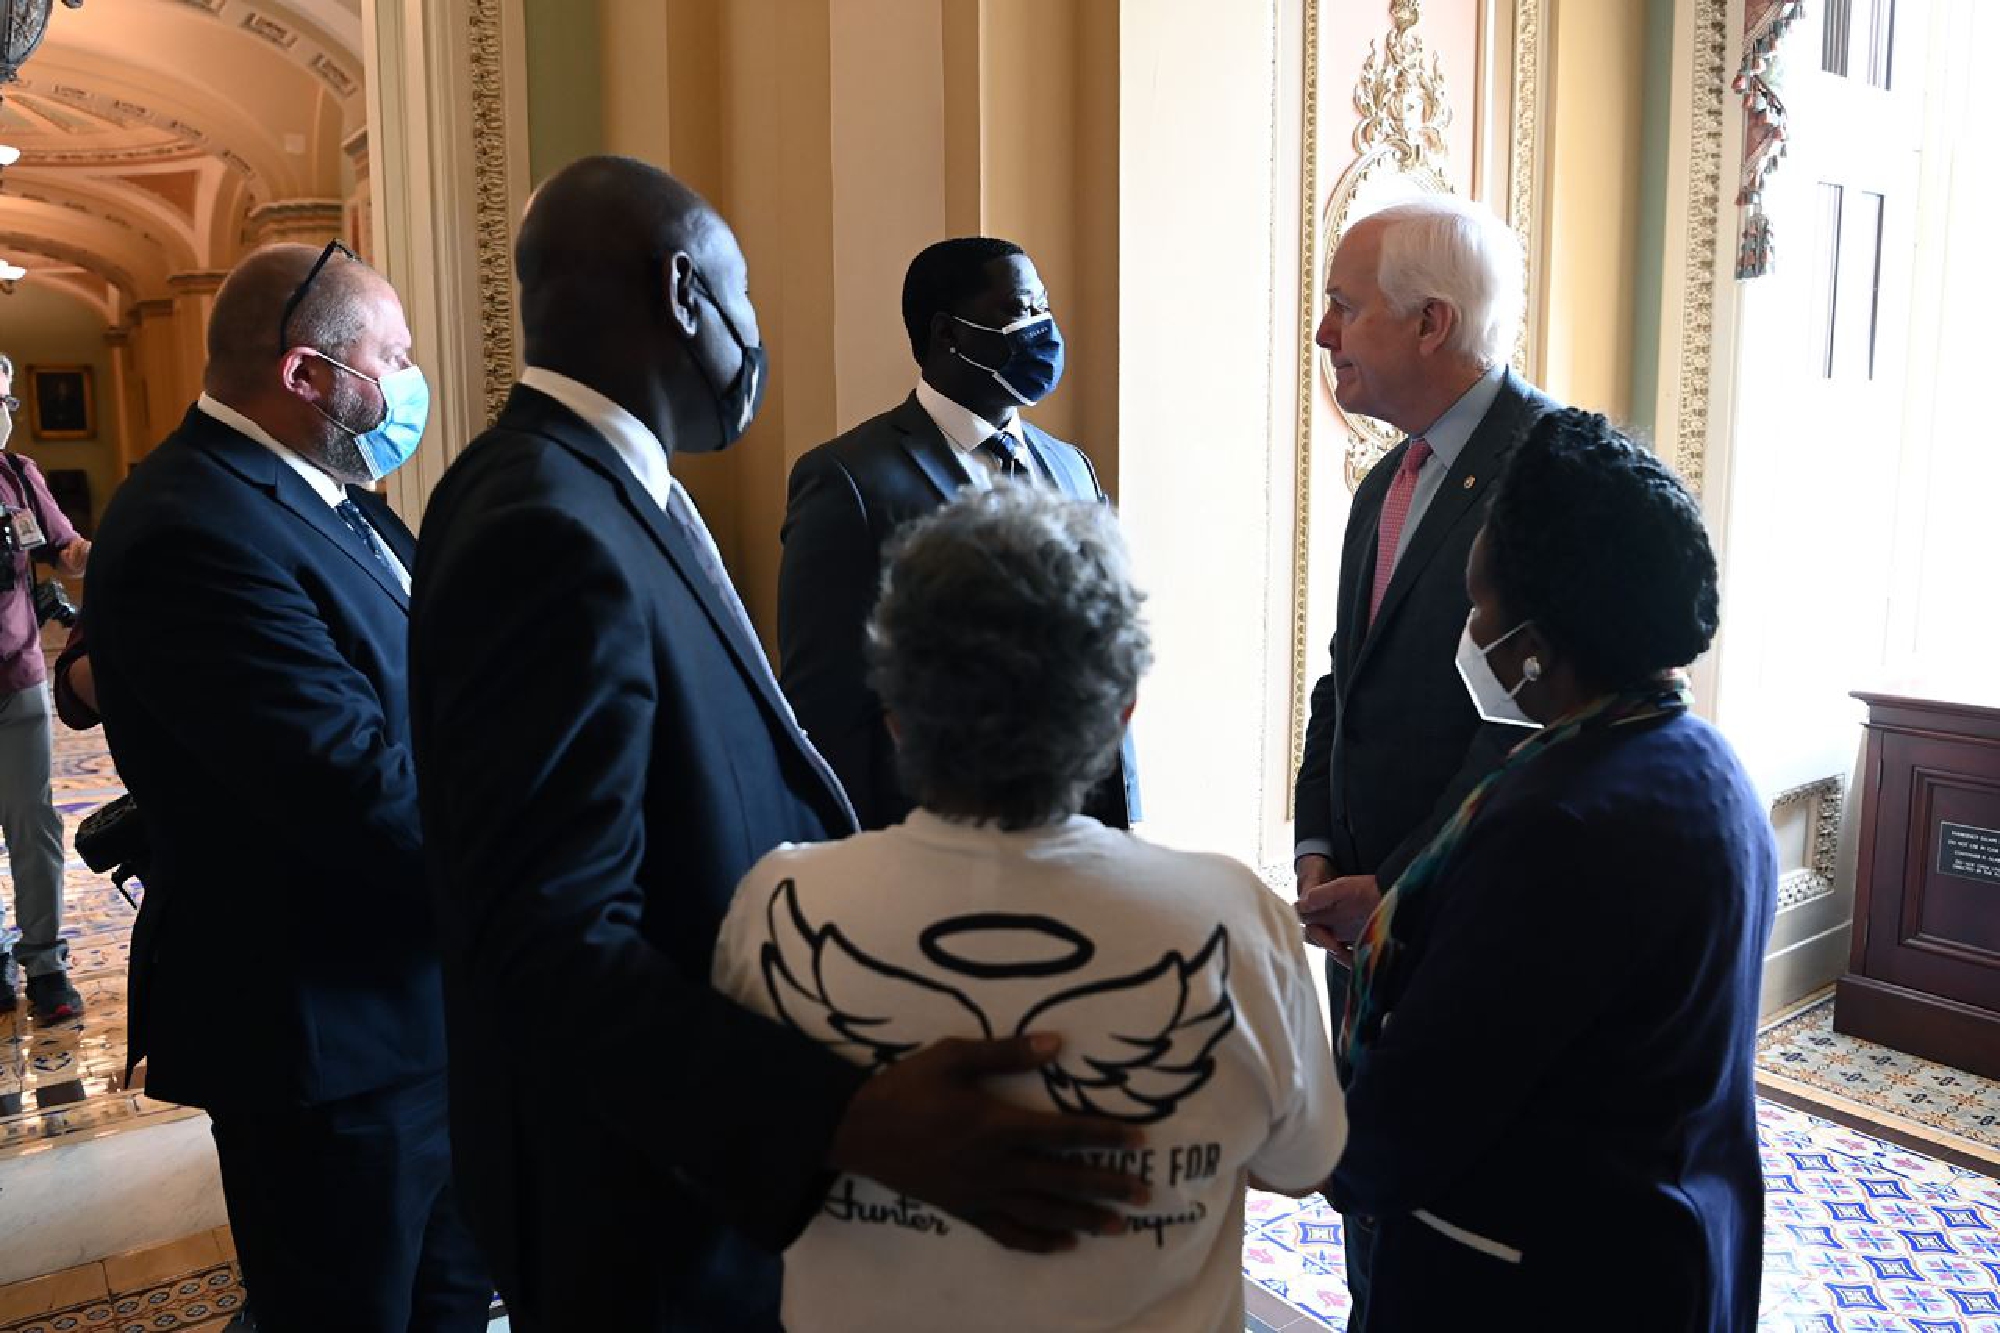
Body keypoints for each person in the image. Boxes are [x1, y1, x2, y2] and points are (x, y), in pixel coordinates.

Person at [408, 156, 1148, 1332]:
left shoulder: (593, 484)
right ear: (685, 294)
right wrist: (844, 1121)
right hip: (645, 1189)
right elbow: (549, 931)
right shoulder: (545, 522)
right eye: (746, 297)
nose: (759, 332)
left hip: (685, 1157)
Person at [716, 485, 1344, 1332]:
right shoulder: (1236, 924)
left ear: (894, 713)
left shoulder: (781, 911)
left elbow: (740, 1149)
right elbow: (1303, 1162)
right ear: (1120, 710)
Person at [85, 244, 490, 1332]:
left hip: (417, 1005)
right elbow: (352, 790)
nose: (409, 380)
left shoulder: (331, 495)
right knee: (347, 1308)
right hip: (325, 1038)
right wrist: (542, 855)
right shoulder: (195, 527)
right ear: (307, 374)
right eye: (392, 357)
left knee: (448, 1299)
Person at [1304, 410, 1776, 1331]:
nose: (1469, 635)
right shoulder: (1704, 765)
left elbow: (1407, 1125)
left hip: (1535, 1278)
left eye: (1477, 611)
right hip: (1675, 1251)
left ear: (1536, 640)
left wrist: (1293, 1113)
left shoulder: (1555, 825)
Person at [1289, 197, 1559, 1318]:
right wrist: (1313, 845)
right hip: (1353, 915)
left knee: (1446, 1227)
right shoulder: (1380, 481)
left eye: (1342, 310)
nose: (1322, 335)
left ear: (1430, 322)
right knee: (1371, 1204)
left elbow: (1521, 729)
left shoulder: (1549, 474)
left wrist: (1395, 885)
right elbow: (1341, 685)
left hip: (1454, 920)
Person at [778, 237, 1139, 831]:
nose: (1043, 330)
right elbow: (828, 703)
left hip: (1074, 838)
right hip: (925, 841)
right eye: (1021, 312)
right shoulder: (850, 480)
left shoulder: (1073, 469)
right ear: (949, 333)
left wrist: (1122, 826)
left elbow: (1108, 661)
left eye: (1045, 309)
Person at [0, 352, 91, 1022]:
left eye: (6, 404)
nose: (1, 417)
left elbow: (67, 549)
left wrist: (126, 544)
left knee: (33, 823)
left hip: (17, 672)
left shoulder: (17, 475)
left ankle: (44, 964)